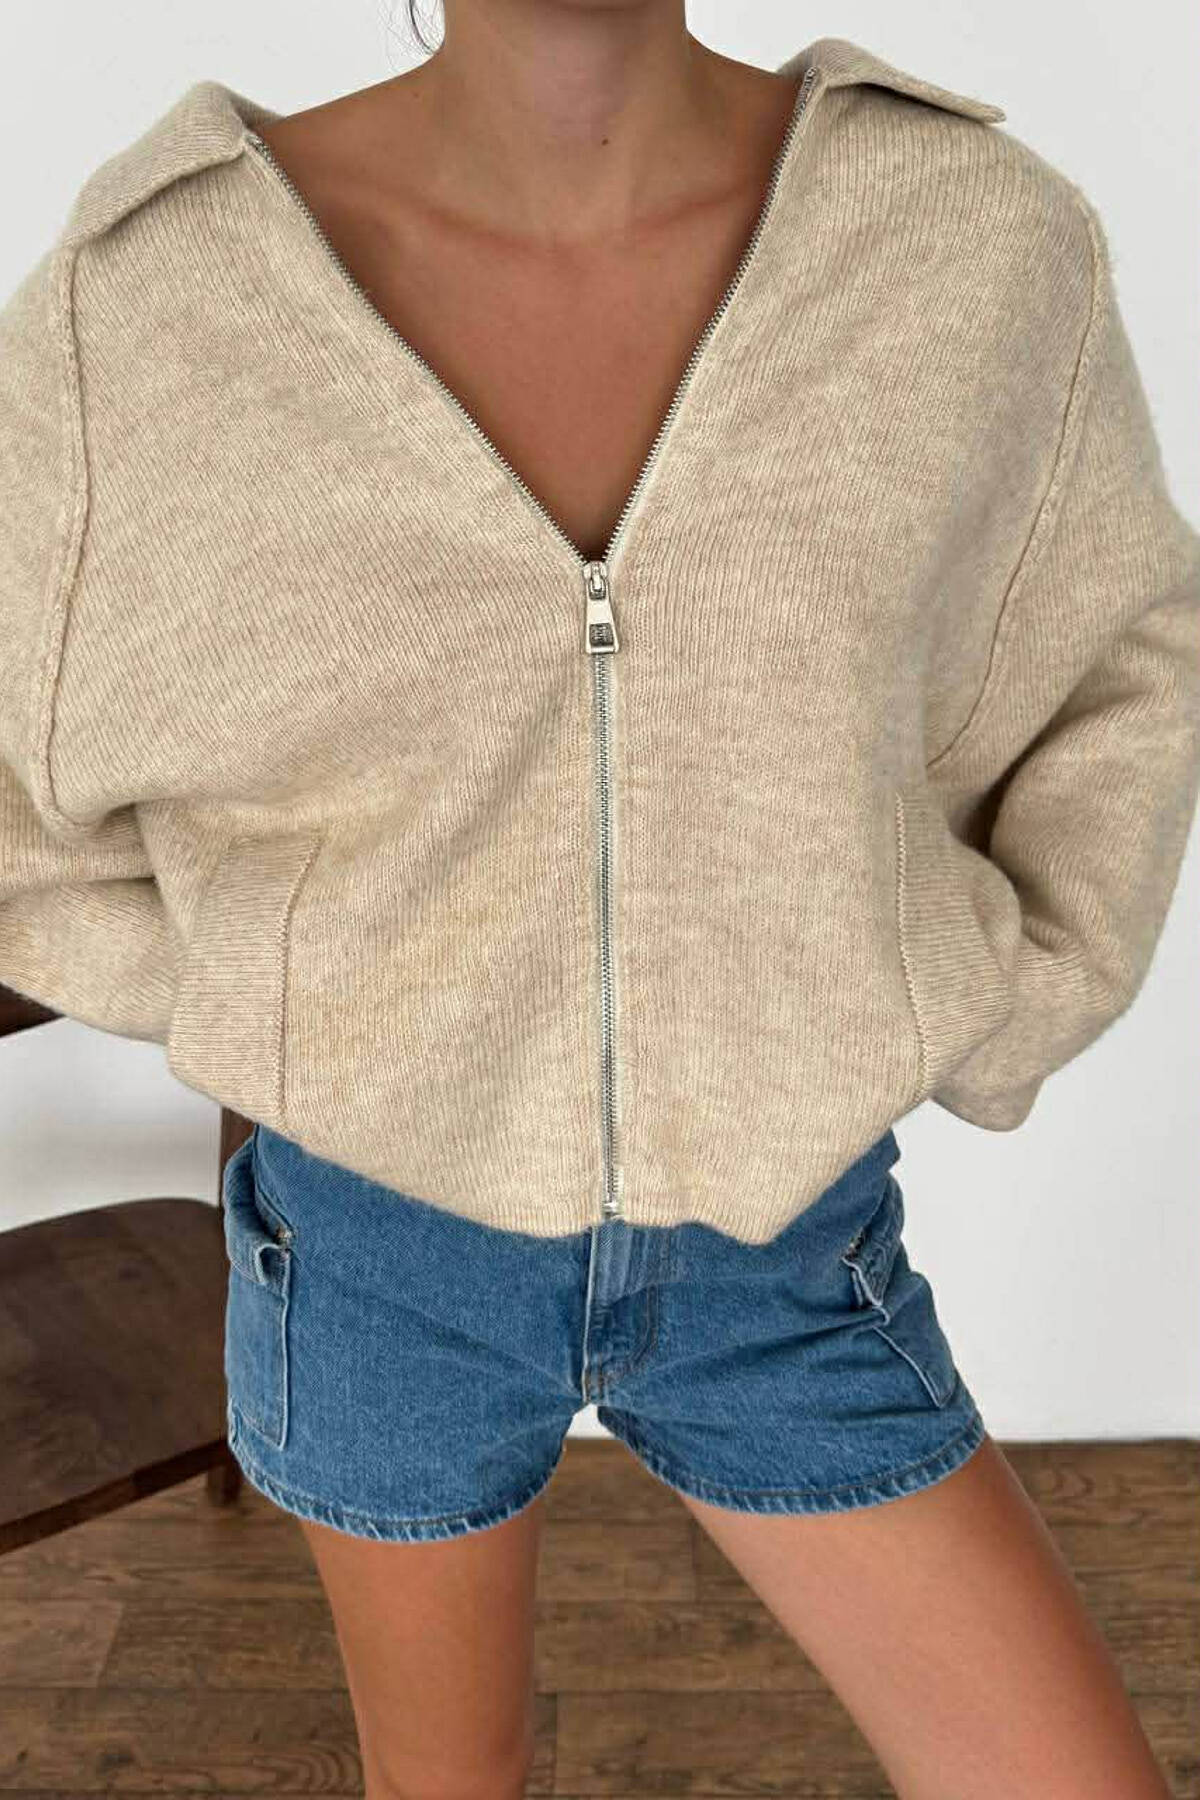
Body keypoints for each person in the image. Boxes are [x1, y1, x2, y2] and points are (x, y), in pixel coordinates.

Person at [2, 4, 1196, 1796]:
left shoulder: (968, 239)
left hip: (784, 1246)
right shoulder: (158, 294)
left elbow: (1123, 667)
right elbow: (21, 790)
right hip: (383, 1253)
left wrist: (997, 989)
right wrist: (288, 1000)